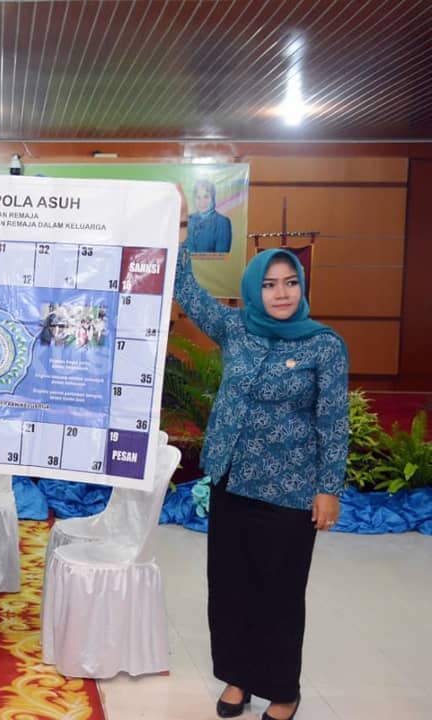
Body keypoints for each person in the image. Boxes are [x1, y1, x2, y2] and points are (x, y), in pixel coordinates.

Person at [174, 237, 348, 720]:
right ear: (255, 289)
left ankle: (283, 690)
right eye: (270, 284)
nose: (282, 293)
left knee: (279, 594)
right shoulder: (235, 328)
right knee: (231, 588)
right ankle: (239, 678)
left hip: (290, 490)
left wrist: (328, 488)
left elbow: (334, 421)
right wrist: (178, 232)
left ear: (302, 286)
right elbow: (187, 290)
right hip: (231, 481)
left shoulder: (325, 345)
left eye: (290, 282)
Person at [186, 178, 233, 253]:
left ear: (213, 198)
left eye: (206, 197)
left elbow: (221, 257)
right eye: (198, 197)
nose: (202, 202)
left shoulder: (222, 223)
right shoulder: (188, 220)